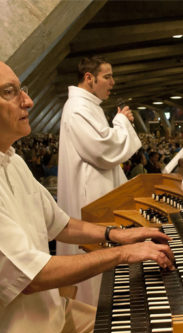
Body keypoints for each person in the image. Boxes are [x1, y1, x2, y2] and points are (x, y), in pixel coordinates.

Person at [0, 55, 174, 333]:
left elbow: (60, 225)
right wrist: (122, 254)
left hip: (49, 313)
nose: (29, 101)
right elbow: (30, 277)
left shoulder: (10, 160)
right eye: (10, 92)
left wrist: (115, 234)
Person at [57, 56, 142, 305]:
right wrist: (121, 122)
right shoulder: (78, 108)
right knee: (94, 272)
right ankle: (94, 311)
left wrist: (118, 123)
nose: (112, 82)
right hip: (89, 196)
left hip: (95, 191)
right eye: (107, 76)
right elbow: (103, 149)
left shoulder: (88, 105)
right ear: (89, 78)